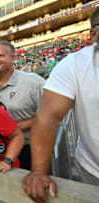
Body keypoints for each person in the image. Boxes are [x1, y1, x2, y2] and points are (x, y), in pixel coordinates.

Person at [23, 7, 99, 203]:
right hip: (94, 170)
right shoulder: (74, 64)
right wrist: (39, 171)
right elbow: (49, 115)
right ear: (93, 34)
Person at [0, 40, 45, 170]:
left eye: (0, 55)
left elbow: (49, 116)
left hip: (28, 147)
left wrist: (14, 127)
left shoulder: (34, 83)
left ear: (13, 58)